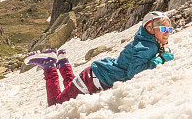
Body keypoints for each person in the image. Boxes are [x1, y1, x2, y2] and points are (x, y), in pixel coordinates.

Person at [24, 11, 175, 106]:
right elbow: (133, 72)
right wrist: (159, 60)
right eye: (163, 29)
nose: (167, 32)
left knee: (70, 90)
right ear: (149, 29)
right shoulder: (147, 46)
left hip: (94, 75)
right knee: (55, 103)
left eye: (169, 29)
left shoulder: (145, 41)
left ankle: (63, 62)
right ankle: (49, 65)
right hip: (94, 80)